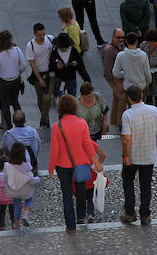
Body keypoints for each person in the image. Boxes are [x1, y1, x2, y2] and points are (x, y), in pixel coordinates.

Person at [48, 94, 102, 233]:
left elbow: (55, 150)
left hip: (62, 166)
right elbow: (88, 145)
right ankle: (81, 216)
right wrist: (96, 162)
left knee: (67, 195)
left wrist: (51, 168)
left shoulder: (56, 127)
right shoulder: (82, 123)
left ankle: (71, 227)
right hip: (80, 164)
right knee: (81, 191)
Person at [120, 85, 157, 225]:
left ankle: (130, 213)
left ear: (129, 98)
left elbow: (126, 139)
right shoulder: (154, 110)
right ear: (142, 95)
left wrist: (125, 156)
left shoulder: (127, 115)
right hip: (148, 156)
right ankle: (145, 215)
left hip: (132, 156)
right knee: (146, 186)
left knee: (128, 183)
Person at [0, 30, 28, 131]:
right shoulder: (17, 50)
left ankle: (9, 127)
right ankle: (20, 123)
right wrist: (17, 71)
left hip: (3, 82)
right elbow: (24, 65)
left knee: (5, 105)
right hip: (15, 81)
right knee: (15, 102)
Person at [2, 142, 40, 229]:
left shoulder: (7, 166)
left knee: (17, 205)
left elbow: (3, 178)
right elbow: (31, 179)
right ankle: (25, 214)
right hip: (25, 191)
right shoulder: (27, 166)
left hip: (13, 191)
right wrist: (38, 179)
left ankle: (17, 225)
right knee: (29, 199)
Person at [25, 23, 56, 128]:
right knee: (40, 99)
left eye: (43, 34)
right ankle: (45, 120)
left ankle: (44, 120)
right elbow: (32, 64)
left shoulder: (50, 39)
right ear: (35, 34)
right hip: (38, 74)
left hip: (50, 74)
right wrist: (39, 79)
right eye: (39, 35)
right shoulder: (30, 46)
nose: (42, 37)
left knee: (47, 98)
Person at [101, 29, 127, 130]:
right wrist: (116, 83)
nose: (121, 39)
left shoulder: (120, 47)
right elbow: (108, 71)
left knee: (117, 97)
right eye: (118, 37)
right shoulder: (109, 50)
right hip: (113, 78)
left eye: (122, 37)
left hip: (118, 77)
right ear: (113, 37)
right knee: (122, 97)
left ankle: (114, 120)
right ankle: (120, 123)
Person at [140, 29, 157, 110]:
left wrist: (154, 69)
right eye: (149, 41)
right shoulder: (144, 45)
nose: (150, 43)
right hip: (146, 75)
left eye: (152, 41)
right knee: (147, 97)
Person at [51, 32, 85, 97]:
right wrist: (56, 66)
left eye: (66, 47)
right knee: (61, 96)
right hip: (61, 80)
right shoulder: (55, 52)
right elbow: (51, 65)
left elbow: (81, 65)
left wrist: (76, 64)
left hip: (71, 79)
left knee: (72, 96)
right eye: (61, 47)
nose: (64, 49)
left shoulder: (73, 51)